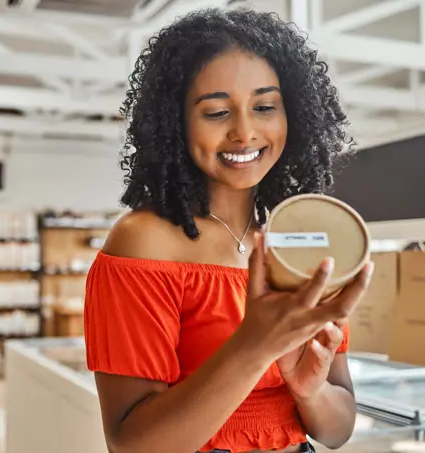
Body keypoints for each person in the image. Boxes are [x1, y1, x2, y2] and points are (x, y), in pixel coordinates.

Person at [83, 7, 375, 453]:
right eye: (217, 112)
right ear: (176, 123)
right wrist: (254, 348)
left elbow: (337, 431)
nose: (245, 131)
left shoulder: (302, 240)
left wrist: (308, 389)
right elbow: (132, 444)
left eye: (264, 107)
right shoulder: (144, 241)